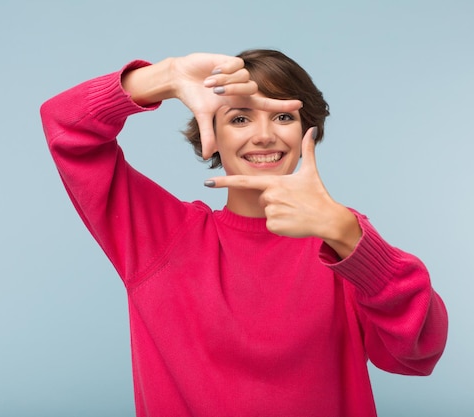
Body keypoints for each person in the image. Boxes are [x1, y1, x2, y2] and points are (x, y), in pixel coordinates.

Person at [40, 49, 448, 417]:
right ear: (210, 133)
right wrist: (164, 76)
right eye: (239, 118)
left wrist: (347, 234)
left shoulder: (342, 237)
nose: (264, 135)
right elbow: (64, 124)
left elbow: (416, 353)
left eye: (283, 116)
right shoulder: (161, 236)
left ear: (309, 130)